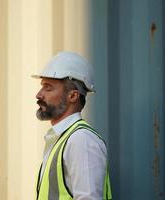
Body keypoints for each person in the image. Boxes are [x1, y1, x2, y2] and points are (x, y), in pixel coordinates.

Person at [32, 51, 112, 200]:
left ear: (73, 96)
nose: (39, 94)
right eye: (42, 86)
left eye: (48, 88)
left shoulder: (81, 140)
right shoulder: (62, 139)